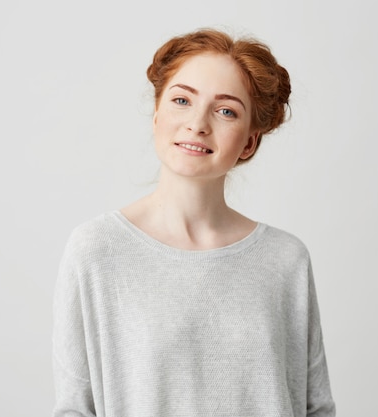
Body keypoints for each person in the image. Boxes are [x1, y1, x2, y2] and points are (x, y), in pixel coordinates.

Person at [52, 28, 335, 417]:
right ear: (156, 114)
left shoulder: (286, 260)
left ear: (249, 142)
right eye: (182, 100)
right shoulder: (96, 251)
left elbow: (316, 407)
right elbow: (74, 410)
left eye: (226, 111)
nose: (197, 123)